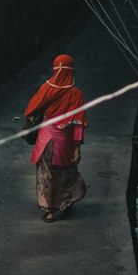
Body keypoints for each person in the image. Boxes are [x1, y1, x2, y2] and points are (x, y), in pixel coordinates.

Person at [23, 54, 88, 222]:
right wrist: (77, 147)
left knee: (46, 174)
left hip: (45, 139)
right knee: (66, 172)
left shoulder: (46, 88)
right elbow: (78, 124)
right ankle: (66, 201)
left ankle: (50, 210)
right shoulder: (76, 94)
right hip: (65, 143)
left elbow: (30, 111)